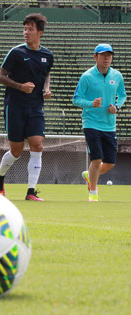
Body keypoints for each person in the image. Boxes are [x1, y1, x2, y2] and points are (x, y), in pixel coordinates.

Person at [0, 13, 53, 201]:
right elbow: (0, 77)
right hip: (15, 106)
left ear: (40, 33)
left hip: (36, 106)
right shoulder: (16, 52)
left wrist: (46, 88)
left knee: (37, 145)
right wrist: (20, 86)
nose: (26, 32)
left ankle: (30, 192)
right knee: (17, 151)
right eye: (25, 28)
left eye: (30, 29)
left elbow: (46, 75)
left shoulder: (47, 55)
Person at [73, 43, 126, 202]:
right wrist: (91, 103)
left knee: (109, 163)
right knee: (96, 159)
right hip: (91, 123)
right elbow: (76, 99)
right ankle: (93, 193)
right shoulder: (87, 77)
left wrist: (117, 107)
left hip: (109, 125)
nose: (106, 58)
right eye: (103, 55)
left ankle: (90, 176)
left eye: (109, 55)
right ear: (95, 57)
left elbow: (123, 95)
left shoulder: (117, 76)